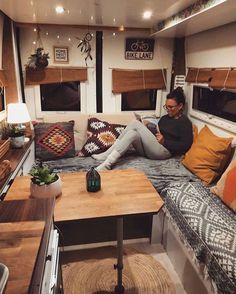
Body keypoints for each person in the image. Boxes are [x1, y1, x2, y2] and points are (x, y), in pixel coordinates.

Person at [93, 87, 193, 171]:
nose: (168, 110)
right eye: (166, 107)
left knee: (135, 124)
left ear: (180, 106)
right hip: (152, 149)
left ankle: (107, 155)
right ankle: (107, 163)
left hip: (164, 152)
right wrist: (149, 128)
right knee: (132, 133)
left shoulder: (185, 122)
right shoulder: (165, 118)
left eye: (171, 107)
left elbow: (185, 145)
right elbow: (158, 133)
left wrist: (165, 142)